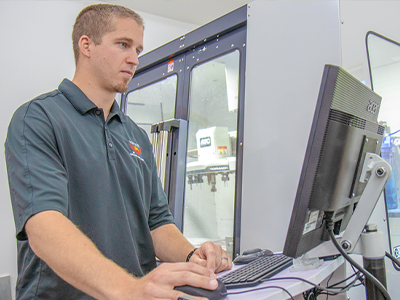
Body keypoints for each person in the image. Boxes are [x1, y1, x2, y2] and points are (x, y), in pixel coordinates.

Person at [5, 4, 232, 300]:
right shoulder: (38, 119)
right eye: (123, 45)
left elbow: (156, 222)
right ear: (86, 45)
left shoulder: (135, 135)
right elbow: (44, 226)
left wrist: (193, 258)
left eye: (138, 49)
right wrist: (126, 287)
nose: (134, 59)